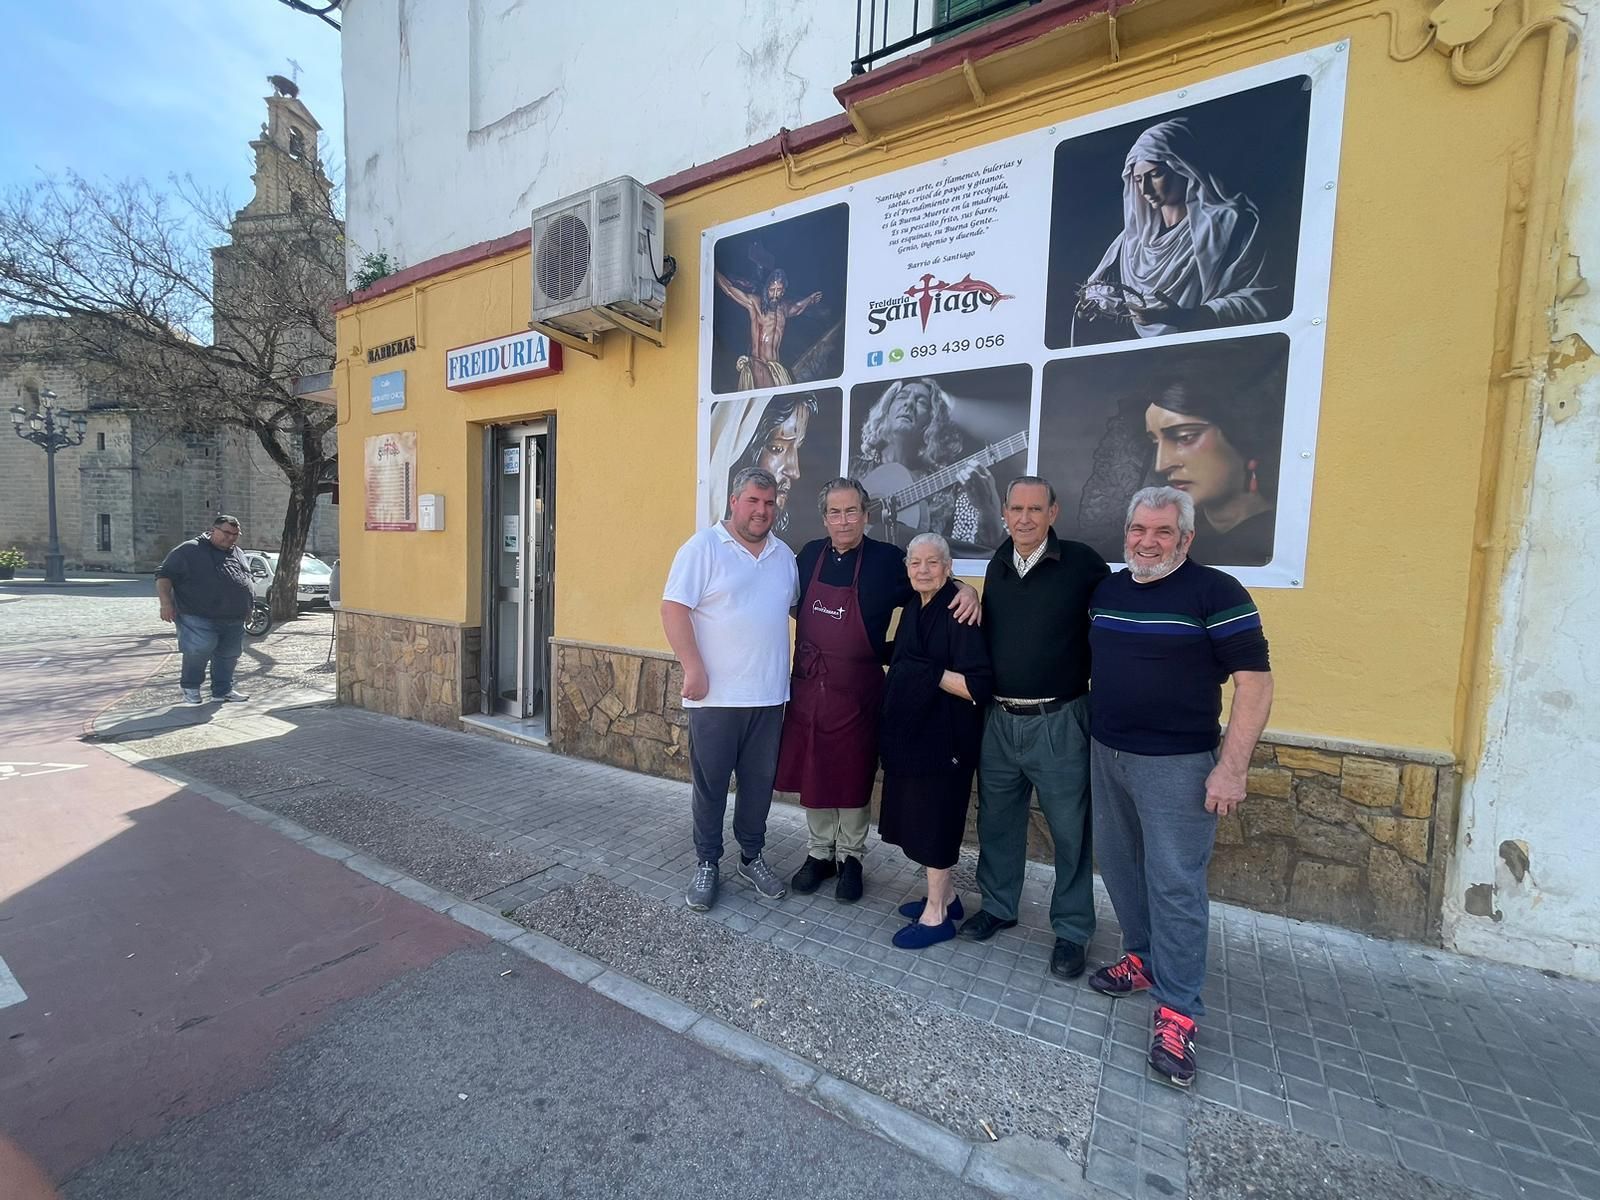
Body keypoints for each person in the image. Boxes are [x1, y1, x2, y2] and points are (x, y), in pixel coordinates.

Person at [1086, 485, 1273, 1088]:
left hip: (1179, 764)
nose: (1148, 541)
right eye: (1139, 529)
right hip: (1108, 753)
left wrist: (1232, 768)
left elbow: (1255, 684)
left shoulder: (1216, 592)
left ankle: (1178, 1010)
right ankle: (1142, 959)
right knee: (1120, 867)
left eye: (1163, 531)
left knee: (1175, 885)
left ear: (1186, 539)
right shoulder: (1109, 591)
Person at [776, 479, 978, 903]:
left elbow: (930, 580)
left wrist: (967, 589)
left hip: (860, 690)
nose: (844, 520)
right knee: (815, 767)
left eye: (852, 511)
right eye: (835, 512)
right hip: (811, 683)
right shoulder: (808, 556)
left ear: (866, 516)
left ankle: (850, 857)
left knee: (853, 770)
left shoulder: (887, 560)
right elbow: (788, 601)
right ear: (824, 518)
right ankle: (819, 853)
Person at [961, 477, 1109, 985]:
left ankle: (1072, 929)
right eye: (1016, 509)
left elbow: (1112, 622)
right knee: (997, 822)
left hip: (1059, 722)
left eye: (1035, 509)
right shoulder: (998, 563)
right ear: (1004, 513)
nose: (1024, 518)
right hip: (1000, 720)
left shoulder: (1082, 563)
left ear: (1053, 512)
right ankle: (998, 906)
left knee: (1071, 831)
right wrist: (965, 590)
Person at [661, 467, 799, 911]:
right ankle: (707, 862)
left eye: (769, 502)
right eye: (753, 500)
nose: (762, 510)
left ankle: (751, 857)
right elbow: (673, 609)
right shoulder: (703, 547)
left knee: (759, 787)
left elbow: (797, 610)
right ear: (734, 500)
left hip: (769, 697)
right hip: (715, 699)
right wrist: (693, 667)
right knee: (711, 787)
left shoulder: (784, 556)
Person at [878, 533, 993, 949]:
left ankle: (937, 917)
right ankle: (947, 896)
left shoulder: (959, 612)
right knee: (918, 819)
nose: (923, 570)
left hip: (947, 743)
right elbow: (906, 655)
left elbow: (978, 686)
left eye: (933, 563)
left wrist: (925, 673)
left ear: (948, 568)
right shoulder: (914, 606)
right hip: (915, 738)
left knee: (935, 824)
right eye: (916, 563)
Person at [1073, 117, 1275, 343]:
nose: (1145, 189)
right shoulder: (1131, 242)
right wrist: (1093, 307)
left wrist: (1186, 317)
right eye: (1138, 179)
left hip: (1210, 354)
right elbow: (1103, 299)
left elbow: (1261, 300)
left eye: (1155, 175)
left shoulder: (1229, 224)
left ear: (1183, 168)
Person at [852, 377, 1007, 555]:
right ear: (886, 409)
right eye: (902, 397)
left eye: (921, 402)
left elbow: (977, 552)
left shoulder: (951, 489)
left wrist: (988, 510)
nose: (909, 403)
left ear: (932, 421)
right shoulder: (855, 470)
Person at [1142, 377, 1278, 566]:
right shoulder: (1172, 540)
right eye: (1154, 443)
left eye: (1184, 437)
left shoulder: (1278, 536)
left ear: (1243, 437)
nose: (1161, 465)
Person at [155, 514, 254, 706]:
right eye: (226, 533)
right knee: (199, 649)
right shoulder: (189, 549)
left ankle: (222, 690)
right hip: (197, 614)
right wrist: (165, 603)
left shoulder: (237, 552)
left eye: (235, 534)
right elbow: (164, 575)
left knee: (230, 654)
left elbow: (245, 579)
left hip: (234, 616)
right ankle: (191, 687)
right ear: (213, 530)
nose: (231, 538)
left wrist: (248, 606)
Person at [705, 392, 819, 534]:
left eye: (798, 449)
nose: (794, 472)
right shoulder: (704, 545)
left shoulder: (779, 547)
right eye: (777, 448)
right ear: (742, 451)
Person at [715, 267, 824, 391]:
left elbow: (797, 307)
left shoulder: (783, 309)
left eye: (779, 290)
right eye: (772, 290)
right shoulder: (755, 304)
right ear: (767, 289)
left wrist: (809, 300)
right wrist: (712, 270)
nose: (775, 294)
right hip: (759, 364)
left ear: (783, 291)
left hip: (776, 368)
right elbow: (729, 289)